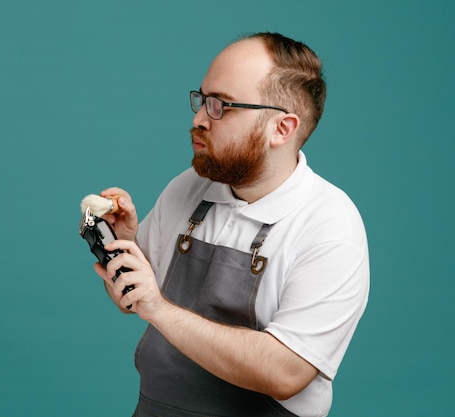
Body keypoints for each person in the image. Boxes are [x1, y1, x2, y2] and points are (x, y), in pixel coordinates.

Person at [93, 32, 369, 417]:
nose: (199, 119)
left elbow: (285, 371)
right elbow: (132, 303)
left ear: (282, 129)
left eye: (221, 105)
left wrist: (160, 309)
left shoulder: (329, 226)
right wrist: (126, 249)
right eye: (202, 100)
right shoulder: (188, 188)